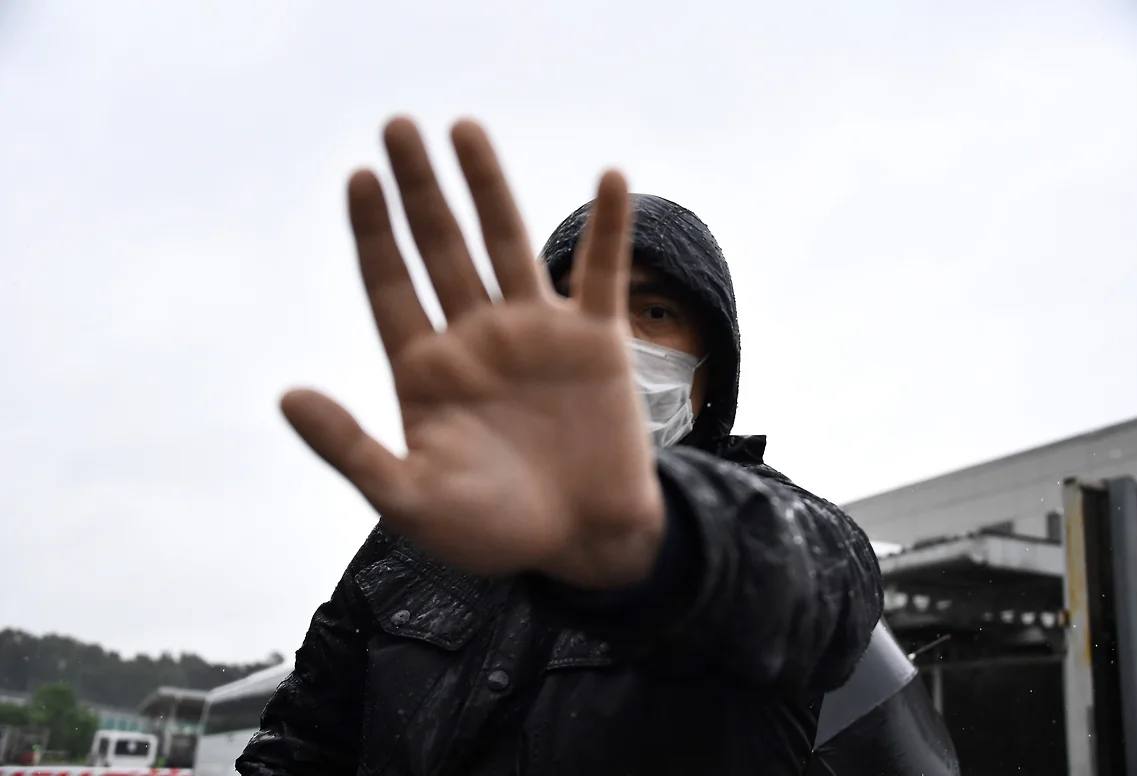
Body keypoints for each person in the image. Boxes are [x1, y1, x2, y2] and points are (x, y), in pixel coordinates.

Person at [236, 117, 883, 775]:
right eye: (575, 308)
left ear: (712, 364)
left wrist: (652, 540)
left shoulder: (780, 526)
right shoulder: (429, 531)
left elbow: (831, 592)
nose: (609, 340)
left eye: (655, 312)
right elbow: (302, 744)